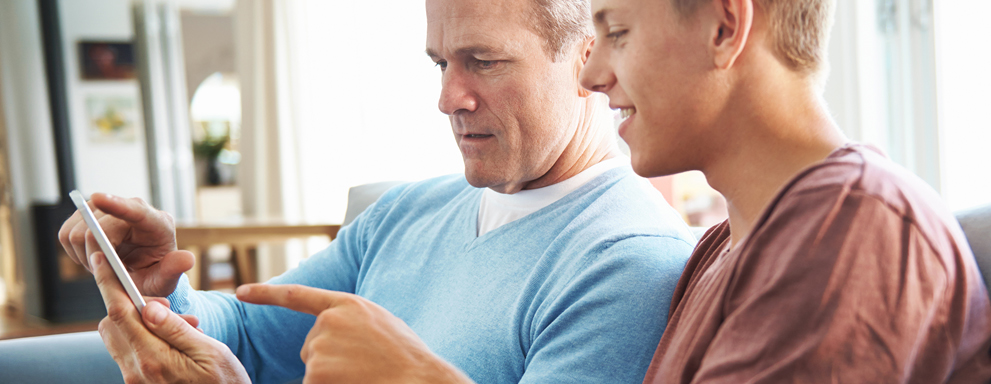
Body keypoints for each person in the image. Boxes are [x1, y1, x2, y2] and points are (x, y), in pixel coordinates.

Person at [59, 0, 696, 382]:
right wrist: (162, 292)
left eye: (485, 61)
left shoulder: (626, 264)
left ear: (588, 61)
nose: (448, 99)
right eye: (442, 63)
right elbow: (252, 334)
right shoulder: (408, 212)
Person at [577, 0, 991, 382]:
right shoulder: (720, 248)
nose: (591, 76)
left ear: (724, 27)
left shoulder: (849, 227)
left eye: (617, 33)